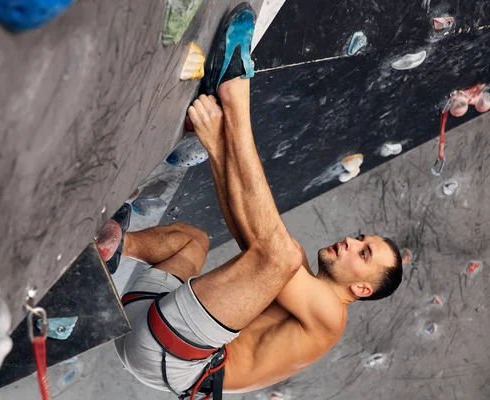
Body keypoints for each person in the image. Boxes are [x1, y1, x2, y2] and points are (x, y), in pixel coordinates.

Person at [99, 3, 403, 399]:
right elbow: (249, 229)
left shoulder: (330, 318)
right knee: (195, 240)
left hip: (172, 357)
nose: (350, 241)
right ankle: (117, 247)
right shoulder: (296, 285)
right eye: (362, 238)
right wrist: (215, 145)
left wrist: (233, 117)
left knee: (283, 253)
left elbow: (270, 245)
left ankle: (235, 91)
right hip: (155, 324)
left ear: (362, 289)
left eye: (363, 253)